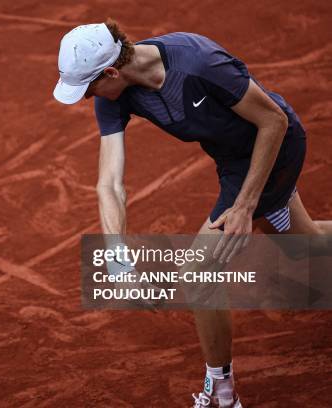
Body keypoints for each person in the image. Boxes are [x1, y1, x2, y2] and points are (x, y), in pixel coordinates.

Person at [52, 19, 332, 407]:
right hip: (234, 164)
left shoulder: (198, 62)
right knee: (305, 249)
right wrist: (119, 265)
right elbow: (109, 183)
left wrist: (245, 207)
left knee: (198, 274)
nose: (87, 99)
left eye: (88, 88)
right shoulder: (114, 94)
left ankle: (222, 394)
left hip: (274, 150)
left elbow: (274, 120)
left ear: (111, 70)